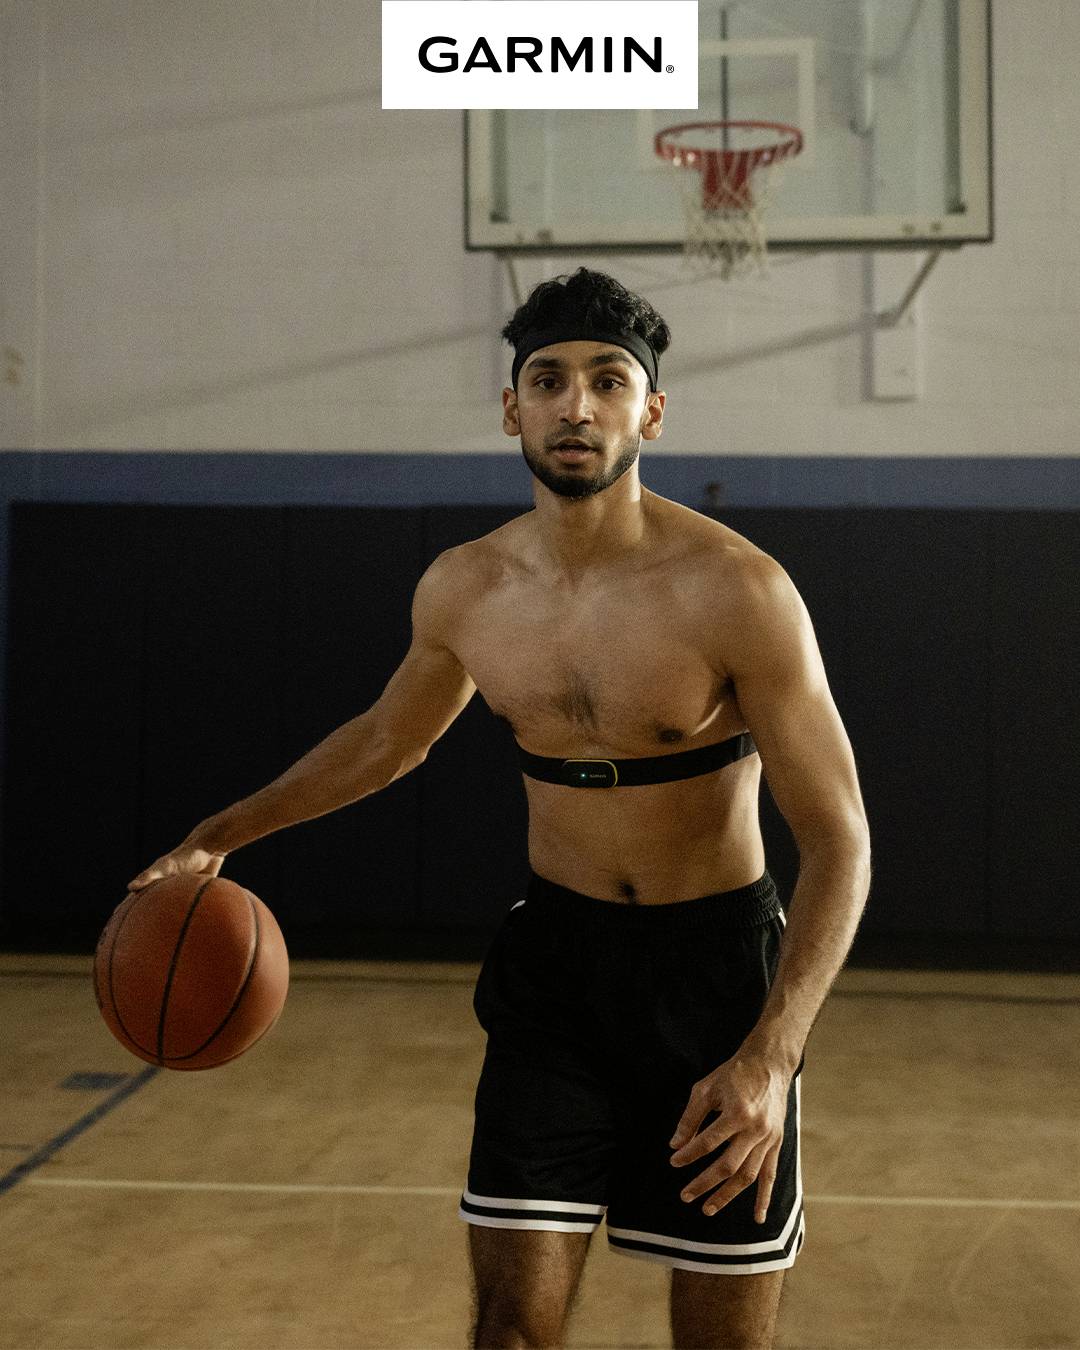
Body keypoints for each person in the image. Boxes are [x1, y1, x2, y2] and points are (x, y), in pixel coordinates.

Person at [128, 268, 872, 1350]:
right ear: (511, 408)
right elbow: (386, 742)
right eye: (549, 380)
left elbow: (839, 838)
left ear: (651, 413)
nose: (577, 405)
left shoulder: (739, 590)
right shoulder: (466, 587)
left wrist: (773, 1054)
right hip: (556, 974)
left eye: (608, 382)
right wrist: (217, 837)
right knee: (510, 1332)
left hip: (719, 980)